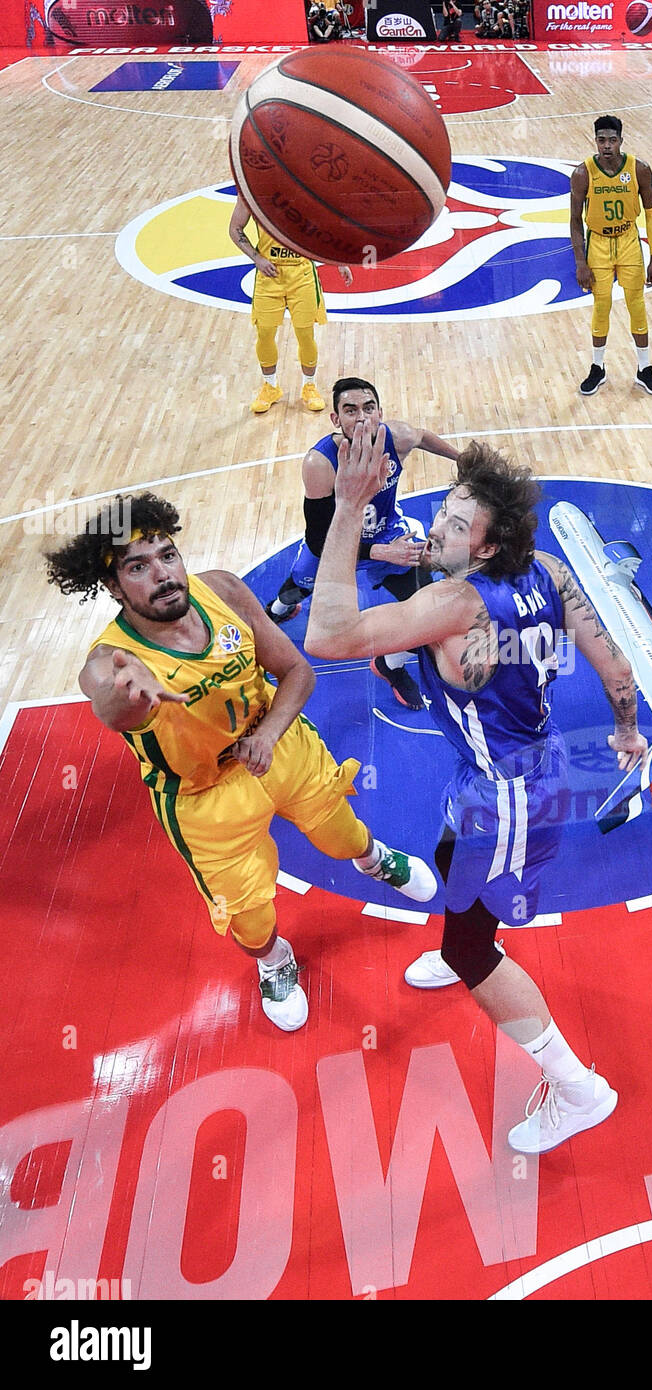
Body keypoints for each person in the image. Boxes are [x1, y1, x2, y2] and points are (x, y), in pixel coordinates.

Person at [305, 426, 649, 1154]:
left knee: (471, 952)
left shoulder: (454, 605)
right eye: (444, 513)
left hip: (508, 794)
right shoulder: (548, 571)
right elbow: (616, 666)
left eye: (456, 524)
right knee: (450, 855)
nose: (436, 527)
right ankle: (469, 929)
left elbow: (329, 637)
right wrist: (625, 730)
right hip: (508, 772)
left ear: (487, 547)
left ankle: (578, 1089)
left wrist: (345, 511)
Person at [44, 493, 436, 1034]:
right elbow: (109, 710)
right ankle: (275, 963)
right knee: (250, 915)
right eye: (138, 567)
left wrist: (269, 735)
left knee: (341, 834)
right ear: (113, 587)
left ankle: (373, 859)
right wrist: (126, 694)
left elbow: (297, 671)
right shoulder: (110, 661)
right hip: (203, 798)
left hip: (276, 745)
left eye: (167, 555)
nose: (162, 575)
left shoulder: (222, 590)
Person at [264, 376, 460, 712]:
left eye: (369, 408)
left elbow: (423, 436)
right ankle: (281, 608)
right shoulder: (320, 463)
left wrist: (460, 457)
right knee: (297, 587)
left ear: (380, 412)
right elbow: (319, 537)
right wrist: (377, 552)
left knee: (426, 613)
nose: (361, 418)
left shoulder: (395, 437)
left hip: (386, 536)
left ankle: (390, 665)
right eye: (350, 410)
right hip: (336, 545)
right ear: (335, 419)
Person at [228, 194, 353, 416]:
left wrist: (338, 261)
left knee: (305, 334)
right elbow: (235, 229)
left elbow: (327, 229)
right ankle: (270, 387)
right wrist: (257, 258)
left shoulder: (305, 187)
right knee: (265, 333)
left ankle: (309, 386)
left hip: (302, 274)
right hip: (269, 274)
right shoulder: (251, 190)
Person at [570, 115, 652, 399]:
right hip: (597, 242)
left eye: (612, 140)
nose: (607, 146)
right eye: (602, 140)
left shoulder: (640, 169)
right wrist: (580, 262)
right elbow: (575, 220)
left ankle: (644, 369)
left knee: (637, 305)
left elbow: (651, 214)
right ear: (595, 141)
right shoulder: (583, 173)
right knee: (602, 306)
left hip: (627, 241)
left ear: (621, 141)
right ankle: (597, 367)